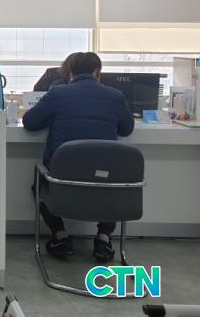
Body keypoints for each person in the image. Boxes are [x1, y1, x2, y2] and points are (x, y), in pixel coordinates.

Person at [22, 52, 134, 262]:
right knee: (114, 186)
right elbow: (127, 129)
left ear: (69, 72)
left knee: (39, 185)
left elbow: (30, 122)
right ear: (98, 72)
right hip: (103, 176)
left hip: (62, 178)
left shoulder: (57, 93)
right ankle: (103, 239)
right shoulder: (115, 96)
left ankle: (61, 236)